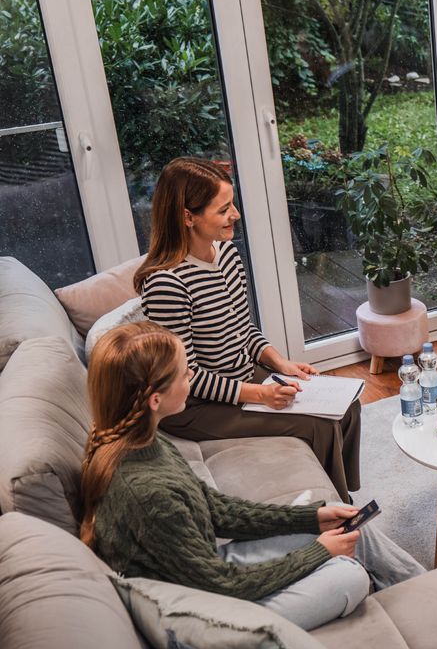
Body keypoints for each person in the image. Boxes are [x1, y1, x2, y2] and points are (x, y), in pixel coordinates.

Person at [79, 321, 424, 630]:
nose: (192, 378)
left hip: (205, 572)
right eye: (185, 374)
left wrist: (311, 517)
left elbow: (217, 511)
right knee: (347, 575)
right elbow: (222, 585)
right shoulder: (147, 492)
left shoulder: (144, 440)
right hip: (204, 619)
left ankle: (427, 591)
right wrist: (318, 553)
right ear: (155, 399)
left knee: (341, 521)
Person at [134, 157, 361, 502]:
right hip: (195, 404)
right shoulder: (167, 283)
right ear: (187, 217)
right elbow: (187, 375)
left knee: (347, 405)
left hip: (243, 376)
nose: (235, 215)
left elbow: (242, 327)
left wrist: (280, 363)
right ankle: (335, 510)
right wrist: (259, 395)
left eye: (232, 204)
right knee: (318, 424)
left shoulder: (225, 254)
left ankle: (341, 488)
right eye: (223, 209)